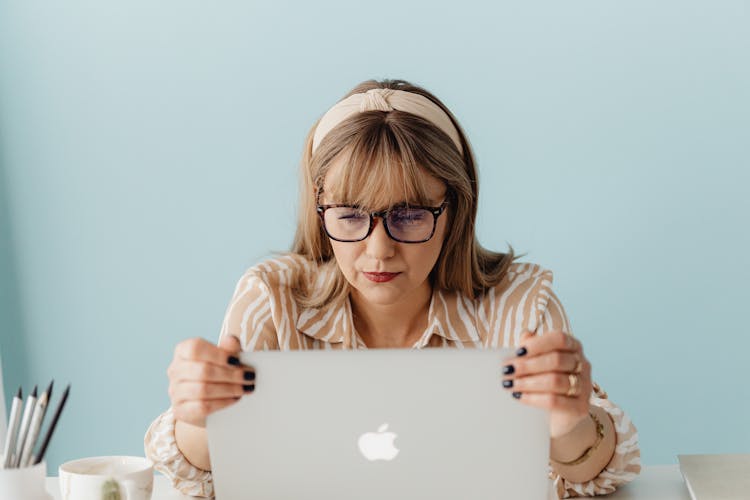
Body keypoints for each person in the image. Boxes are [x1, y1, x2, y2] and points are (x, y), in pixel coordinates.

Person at [144, 78, 641, 498]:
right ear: (320, 213)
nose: (379, 250)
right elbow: (207, 477)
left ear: (455, 212)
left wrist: (568, 425)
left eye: (408, 215)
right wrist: (197, 417)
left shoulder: (521, 305)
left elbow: (594, 476)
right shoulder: (270, 300)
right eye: (351, 215)